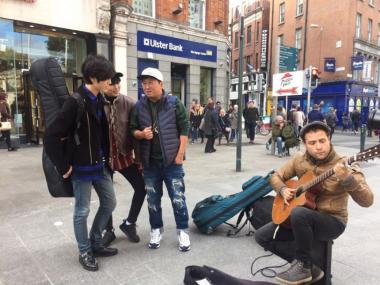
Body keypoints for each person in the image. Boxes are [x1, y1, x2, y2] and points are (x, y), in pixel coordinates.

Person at [255, 121, 374, 285]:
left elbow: (367, 201)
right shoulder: (299, 160)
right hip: (302, 217)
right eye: (312, 143)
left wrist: (347, 178)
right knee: (262, 236)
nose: (319, 147)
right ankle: (310, 266)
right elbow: (275, 176)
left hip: (332, 221)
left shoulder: (346, 164)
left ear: (329, 139)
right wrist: (282, 190)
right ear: (304, 144)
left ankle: (303, 266)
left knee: (299, 214)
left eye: (322, 141)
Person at [44, 55, 117, 271]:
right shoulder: (75, 101)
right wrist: (62, 165)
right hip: (81, 168)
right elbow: (51, 137)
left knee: (109, 202)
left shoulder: (99, 100)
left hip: (99, 165)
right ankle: (85, 251)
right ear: (93, 78)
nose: (110, 83)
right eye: (106, 79)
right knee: (82, 211)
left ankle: (95, 241)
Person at [129, 67, 191, 251]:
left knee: (178, 199)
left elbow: (185, 127)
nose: (146, 87)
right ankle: (156, 229)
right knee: (153, 200)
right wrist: (141, 134)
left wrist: (180, 155)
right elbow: (132, 129)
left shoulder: (173, 103)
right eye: (144, 83)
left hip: (172, 162)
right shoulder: (139, 106)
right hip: (150, 164)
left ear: (161, 84)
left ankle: (182, 231)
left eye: (150, 83)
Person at [101, 72, 146, 247]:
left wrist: (139, 159)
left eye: (118, 83)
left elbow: (136, 132)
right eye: (112, 83)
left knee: (141, 188)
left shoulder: (130, 103)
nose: (117, 86)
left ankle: (129, 223)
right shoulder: (96, 103)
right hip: (104, 158)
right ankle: (108, 230)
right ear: (104, 84)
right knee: (107, 196)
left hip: (123, 155)